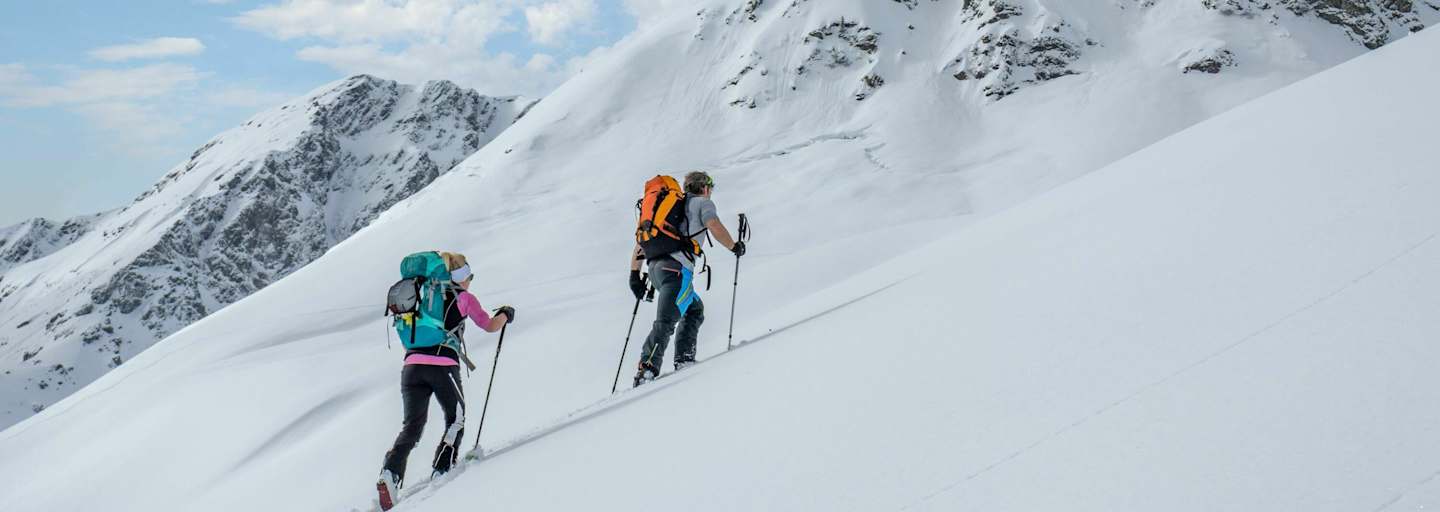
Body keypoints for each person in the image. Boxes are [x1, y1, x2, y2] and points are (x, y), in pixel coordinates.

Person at [377, 252, 513, 511]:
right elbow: (490, 325)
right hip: (442, 366)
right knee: (456, 418)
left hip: (411, 367)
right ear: (461, 276)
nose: (471, 280)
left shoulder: (421, 297)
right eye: (469, 275)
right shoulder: (464, 298)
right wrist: (505, 314)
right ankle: (442, 469)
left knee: (412, 426)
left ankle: (390, 473)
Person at [629, 171, 745, 386]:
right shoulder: (702, 203)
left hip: (656, 268)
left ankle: (684, 359)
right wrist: (734, 246)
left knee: (693, 309)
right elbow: (714, 225)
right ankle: (647, 370)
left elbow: (640, 242)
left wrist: (634, 275)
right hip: (677, 271)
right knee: (666, 321)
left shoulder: (670, 208)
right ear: (705, 187)